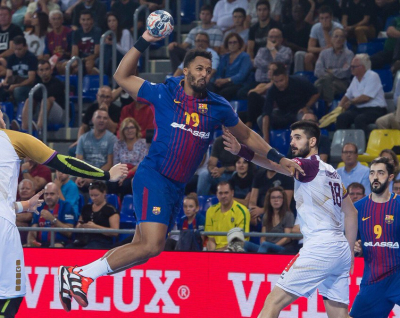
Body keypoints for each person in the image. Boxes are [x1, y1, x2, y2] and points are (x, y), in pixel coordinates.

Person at [58, 30, 303, 311]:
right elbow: (122, 77)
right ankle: (79, 274)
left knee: (145, 250)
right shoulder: (165, 92)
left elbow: (246, 135)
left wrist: (278, 157)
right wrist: (146, 40)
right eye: (199, 68)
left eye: (209, 70)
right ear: (186, 70)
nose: (204, 74)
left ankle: (82, 276)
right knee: (151, 245)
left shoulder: (217, 106)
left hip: (177, 186)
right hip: (154, 176)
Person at [222, 120, 358, 318]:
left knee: (272, 303)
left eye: (298, 138)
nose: (292, 142)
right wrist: (350, 252)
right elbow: (352, 213)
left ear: (312, 141)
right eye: (292, 137)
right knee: (339, 315)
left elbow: (274, 164)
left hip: (320, 247)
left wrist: (242, 151)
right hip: (339, 250)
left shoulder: (307, 166)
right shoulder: (332, 171)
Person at [0, 108, 127, 317]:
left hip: (5, 213)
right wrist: (106, 174)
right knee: (11, 296)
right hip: (3, 225)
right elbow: (64, 162)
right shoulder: (14, 139)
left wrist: (23, 206)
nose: (3, 116)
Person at [351, 157, 400, 318]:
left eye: (381, 173)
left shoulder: (398, 205)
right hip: (373, 280)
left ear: (391, 177)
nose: (375, 177)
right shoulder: (358, 208)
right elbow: (350, 241)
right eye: (372, 173)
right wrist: (355, 246)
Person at [261, 62, 320, 143]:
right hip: (283, 113)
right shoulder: (272, 90)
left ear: (286, 77)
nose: (279, 84)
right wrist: (266, 137)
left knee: (305, 118)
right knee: (261, 119)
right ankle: (274, 140)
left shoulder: (299, 81)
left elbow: (316, 93)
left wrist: (306, 106)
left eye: (281, 81)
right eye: (276, 82)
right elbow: (266, 114)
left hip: (300, 111)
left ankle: (305, 143)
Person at [336, 54, 387, 135]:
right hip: (360, 110)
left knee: (359, 119)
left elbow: (366, 97)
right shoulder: (355, 79)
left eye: (354, 66)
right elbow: (347, 95)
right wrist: (338, 108)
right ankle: (344, 143)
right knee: (341, 118)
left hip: (375, 109)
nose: (351, 68)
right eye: (351, 66)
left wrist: (350, 102)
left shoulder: (373, 76)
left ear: (363, 67)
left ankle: (365, 143)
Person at [239, 28, 292, 99]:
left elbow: (280, 66)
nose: (273, 39)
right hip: (259, 81)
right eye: (271, 37)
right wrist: (272, 67)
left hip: (277, 82)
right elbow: (257, 63)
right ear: (267, 39)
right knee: (241, 93)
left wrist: (273, 49)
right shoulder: (262, 50)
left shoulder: (286, 50)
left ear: (281, 39)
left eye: (276, 37)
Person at [168, 5, 223, 72]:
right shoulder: (194, 30)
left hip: (207, 55)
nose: (205, 16)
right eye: (203, 14)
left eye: (207, 14)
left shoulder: (217, 31)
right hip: (192, 54)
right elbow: (184, 46)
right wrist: (175, 44)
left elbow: (216, 50)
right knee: (173, 49)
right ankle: (177, 73)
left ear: (212, 16)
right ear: (200, 15)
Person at [69, 86, 121, 155]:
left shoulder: (116, 110)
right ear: (97, 97)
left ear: (111, 98)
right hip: (91, 140)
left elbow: (113, 129)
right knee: (72, 151)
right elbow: (84, 126)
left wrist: (105, 111)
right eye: (102, 96)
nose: (105, 100)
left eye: (107, 97)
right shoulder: (92, 108)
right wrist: (79, 141)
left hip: (108, 141)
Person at [75, 109, 118, 190]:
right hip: (85, 173)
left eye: (105, 118)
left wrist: (93, 176)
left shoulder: (112, 139)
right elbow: (78, 161)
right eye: (99, 117)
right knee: (75, 183)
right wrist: (80, 176)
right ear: (92, 120)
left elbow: (109, 164)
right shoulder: (83, 138)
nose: (102, 120)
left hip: (102, 173)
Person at [244, 186, 294, 253]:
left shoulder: (288, 215)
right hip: (266, 246)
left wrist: (270, 247)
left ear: (283, 200)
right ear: (269, 200)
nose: (276, 200)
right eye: (273, 197)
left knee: (265, 245)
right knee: (244, 243)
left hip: (281, 248)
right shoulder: (266, 215)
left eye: (279, 197)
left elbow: (287, 238)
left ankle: (259, 263)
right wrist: (264, 245)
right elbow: (263, 236)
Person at [19, 59, 65, 131]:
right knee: (29, 100)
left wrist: (41, 97)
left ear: (51, 70)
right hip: (42, 111)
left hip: (57, 114)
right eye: (41, 70)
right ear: (38, 72)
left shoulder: (57, 83)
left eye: (47, 69)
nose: (44, 72)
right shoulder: (36, 83)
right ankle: (24, 127)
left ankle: (39, 129)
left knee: (47, 100)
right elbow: (34, 97)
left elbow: (47, 97)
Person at [205, 181, 250, 251]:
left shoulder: (242, 211)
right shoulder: (210, 211)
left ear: (232, 193)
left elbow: (239, 241)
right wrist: (212, 254)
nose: (223, 196)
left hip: (235, 250)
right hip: (216, 251)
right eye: (220, 193)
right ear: (217, 194)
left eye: (226, 193)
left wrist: (220, 251)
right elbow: (211, 239)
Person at [27, 182, 75, 247]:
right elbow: (34, 227)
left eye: (52, 194)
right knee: (27, 247)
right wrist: (31, 240)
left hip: (60, 242)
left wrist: (52, 219)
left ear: (58, 194)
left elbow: (69, 232)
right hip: (41, 243)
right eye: (46, 194)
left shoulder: (66, 206)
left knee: (56, 247)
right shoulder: (40, 206)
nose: (48, 197)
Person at [74, 181, 120, 249]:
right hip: (83, 240)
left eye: (96, 195)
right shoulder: (86, 208)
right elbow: (79, 224)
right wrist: (81, 226)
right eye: (91, 195)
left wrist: (95, 227)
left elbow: (115, 232)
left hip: (101, 242)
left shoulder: (111, 210)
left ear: (104, 193)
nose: (93, 198)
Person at [109, 117, 148, 197]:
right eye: (126, 128)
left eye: (132, 127)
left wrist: (127, 174)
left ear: (136, 129)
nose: (129, 130)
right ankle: (114, 206)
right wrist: (121, 175)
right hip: (122, 171)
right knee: (111, 183)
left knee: (126, 184)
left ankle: (127, 206)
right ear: (122, 131)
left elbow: (141, 164)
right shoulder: (118, 144)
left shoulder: (143, 143)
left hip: (136, 172)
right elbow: (116, 163)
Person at [314, 28, 354, 105]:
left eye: (341, 37)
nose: (338, 39)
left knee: (318, 85)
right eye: (336, 36)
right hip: (327, 81)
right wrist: (335, 72)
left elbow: (347, 72)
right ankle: (329, 104)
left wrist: (330, 71)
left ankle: (318, 107)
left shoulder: (349, 54)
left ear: (344, 40)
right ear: (331, 39)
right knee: (326, 82)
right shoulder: (324, 53)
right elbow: (317, 71)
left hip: (342, 83)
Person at [212, 32, 252, 100]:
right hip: (223, 83)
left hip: (238, 84)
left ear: (239, 44)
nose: (232, 45)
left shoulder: (245, 57)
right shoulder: (224, 57)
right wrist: (218, 80)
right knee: (208, 88)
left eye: (235, 42)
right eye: (230, 43)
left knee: (224, 92)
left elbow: (242, 75)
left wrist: (226, 80)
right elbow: (218, 72)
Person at [304, 6, 343, 72]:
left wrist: (325, 30)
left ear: (331, 18)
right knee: (308, 56)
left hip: (338, 54)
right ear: (319, 19)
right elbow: (310, 48)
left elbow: (332, 50)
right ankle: (310, 79)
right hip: (322, 53)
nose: (324, 21)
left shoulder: (338, 28)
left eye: (326, 18)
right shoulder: (315, 27)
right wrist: (323, 49)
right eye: (322, 18)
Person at [0, 35, 37, 105]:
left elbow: (31, 79)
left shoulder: (31, 58)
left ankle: (22, 110)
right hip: (15, 82)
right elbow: (9, 76)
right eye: (15, 49)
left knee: (17, 91)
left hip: (28, 85)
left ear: (25, 47)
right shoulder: (11, 58)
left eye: (19, 49)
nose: (17, 52)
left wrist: (16, 85)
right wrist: (4, 83)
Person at [101, 12, 133, 78]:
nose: (112, 23)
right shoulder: (107, 35)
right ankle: (105, 76)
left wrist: (114, 44)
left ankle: (104, 75)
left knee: (108, 47)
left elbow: (127, 52)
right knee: (99, 59)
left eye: (114, 20)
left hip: (126, 59)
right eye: (109, 21)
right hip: (113, 60)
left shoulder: (125, 32)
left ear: (118, 21)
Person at [71, 10, 101, 75]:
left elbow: (97, 53)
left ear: (92, 21)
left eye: (88, 20)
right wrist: (75, 61)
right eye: (83, 20)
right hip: (80, 59)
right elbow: (74, 52)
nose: (85, 22)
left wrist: (82, 60)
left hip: (92, 58)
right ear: (80, 21)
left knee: (88, 65)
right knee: (67, 66)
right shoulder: (76, 33)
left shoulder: (97, 31)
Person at [43, 10, 72, 75]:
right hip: (53, 61)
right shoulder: (48, 36)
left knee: (61, 66)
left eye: (58, 19)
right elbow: (46, 53)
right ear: (50, 21)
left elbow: (73, 52)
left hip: (67, 60)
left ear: (62, 20)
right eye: (54, 19)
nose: (56, 21)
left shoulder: (69, 33)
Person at [0, 6, 23, 77]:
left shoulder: (15, 29)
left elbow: (12, 50)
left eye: (5, 15)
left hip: (10, 58)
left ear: (10, 16)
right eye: (0, 15)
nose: (3, 17)